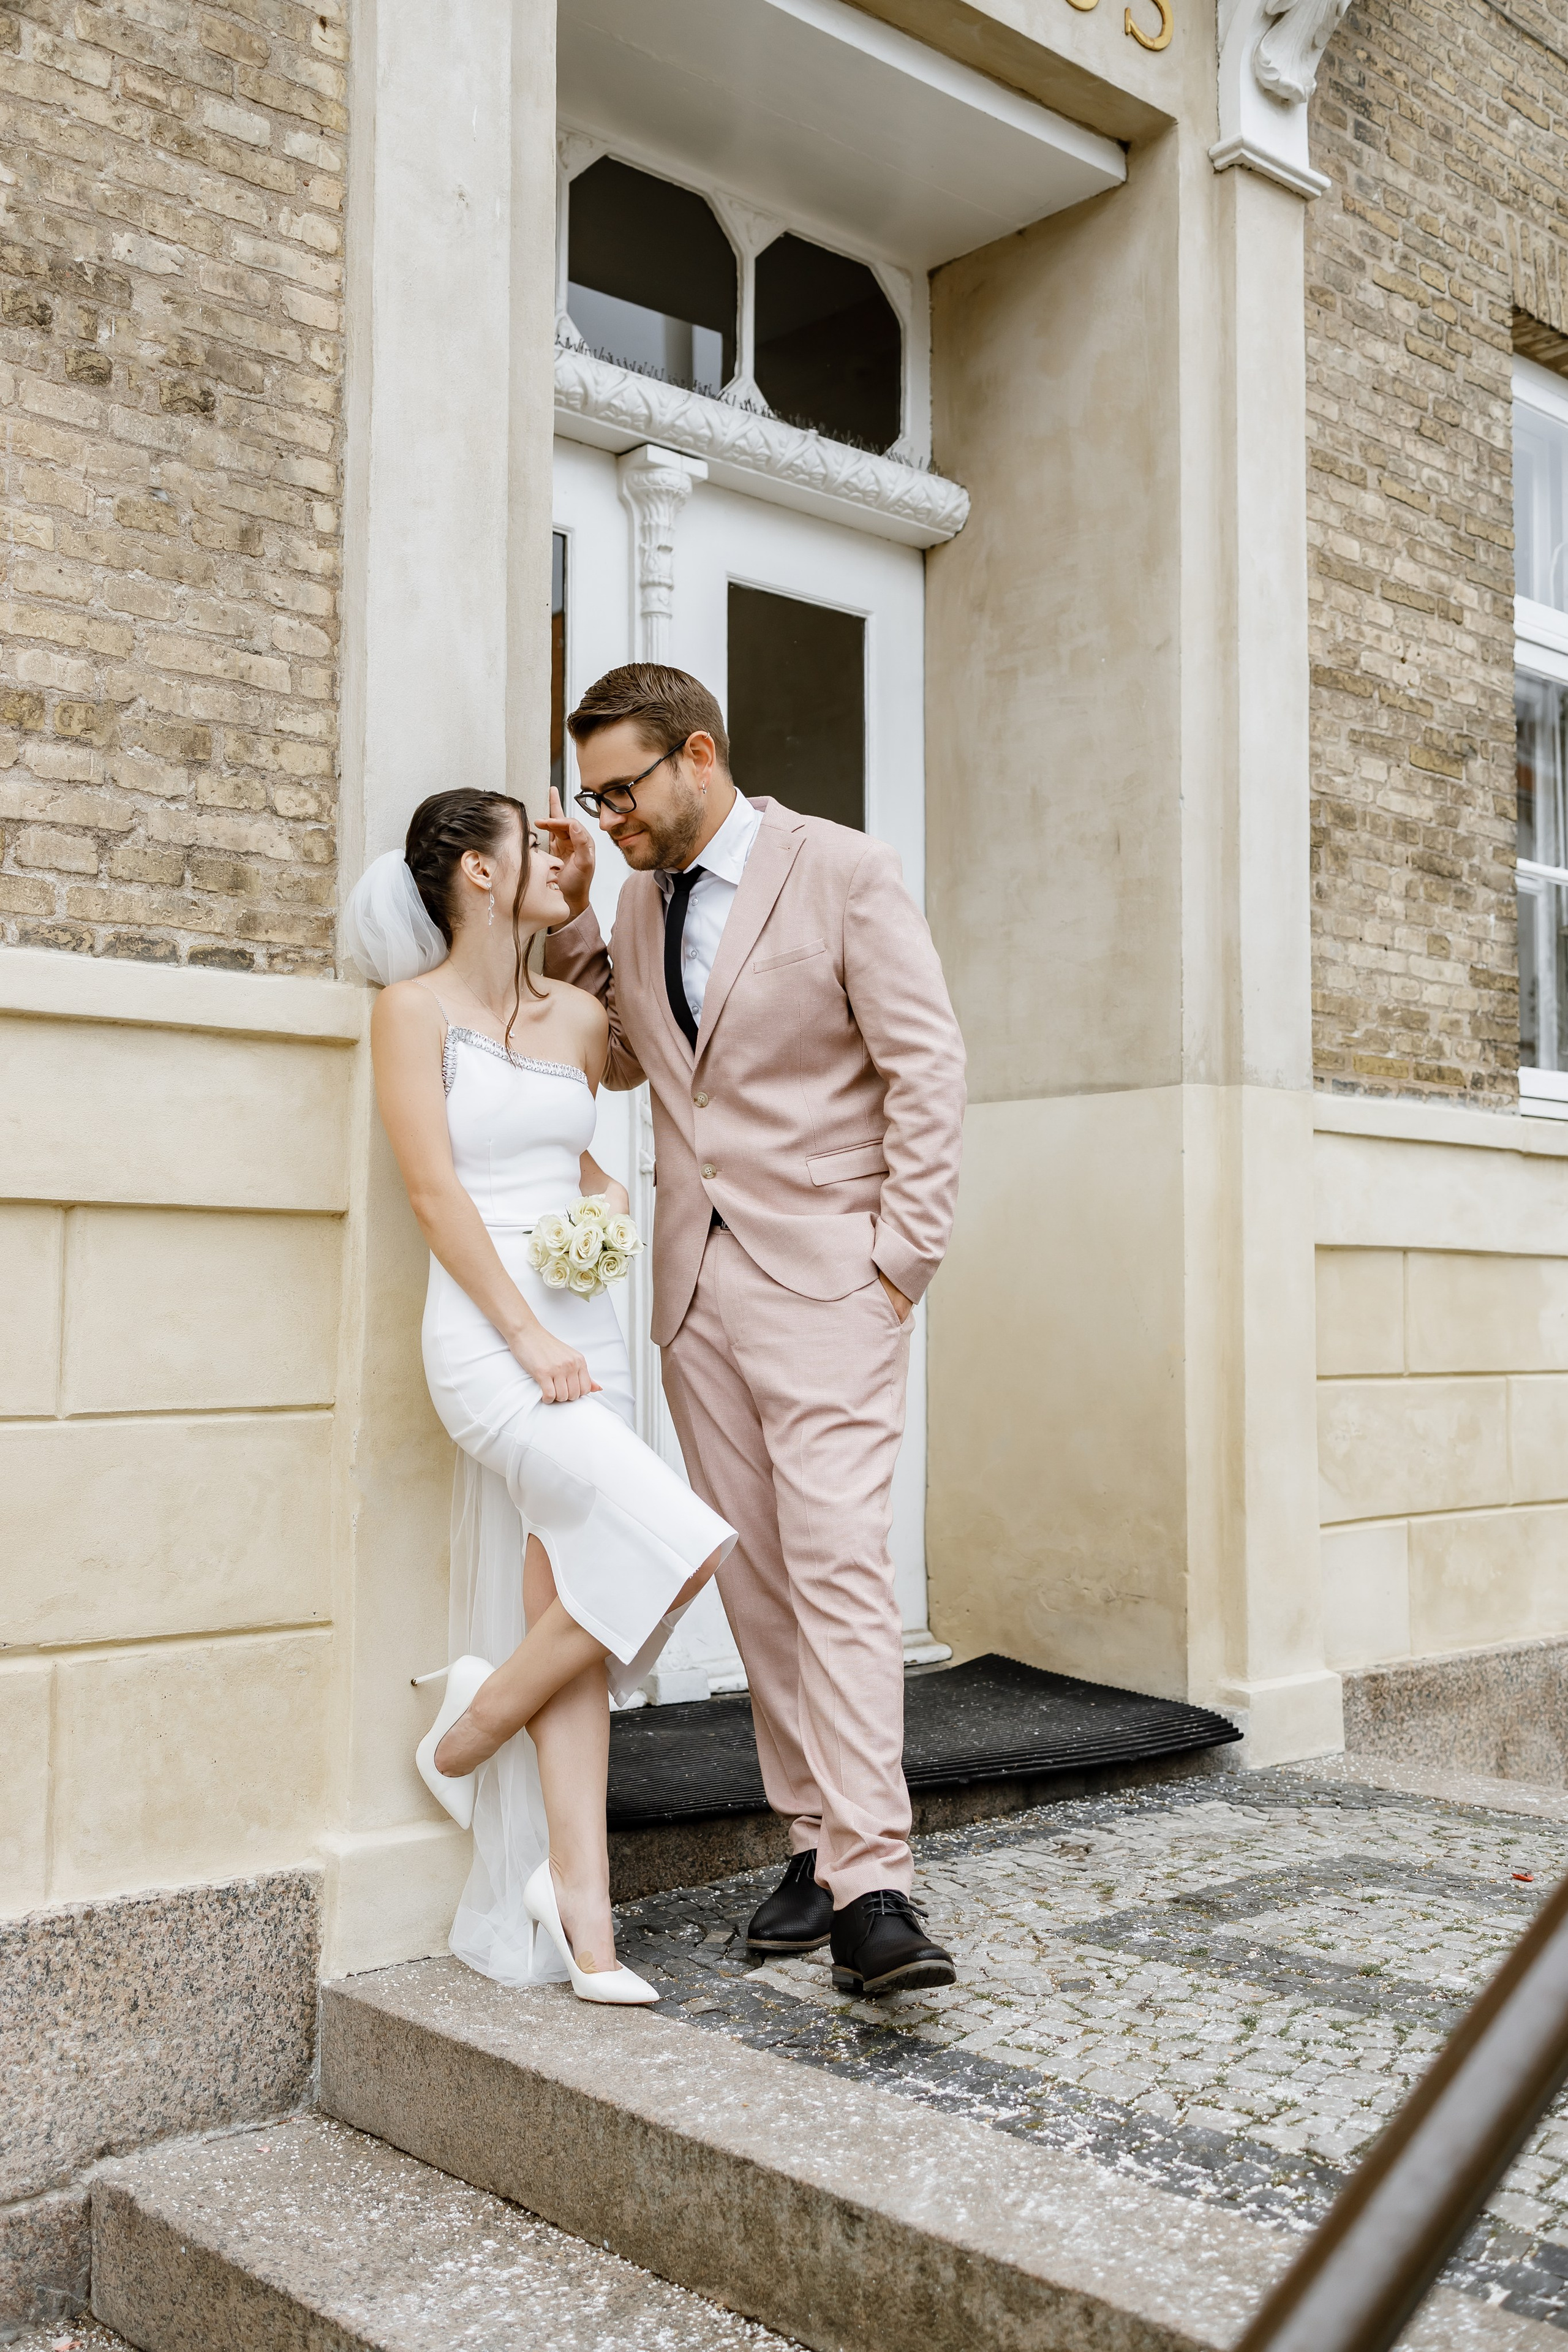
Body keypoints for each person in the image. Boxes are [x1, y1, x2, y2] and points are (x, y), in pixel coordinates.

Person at [544, 663, 967, 1999]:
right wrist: (568, 919)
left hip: (831, 1280)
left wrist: (899, 1260)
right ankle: (809, 1841)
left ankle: (874, 1883)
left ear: (698, 755)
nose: (608, 815)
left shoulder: (839, 870)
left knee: (838, 1563)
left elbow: (925, 1066)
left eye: (623, 790)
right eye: (593, 796)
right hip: (694, 1290)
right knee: (760, 1579)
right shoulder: (628, 893)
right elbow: (621, 1058)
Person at [345, 789, 736, 2004]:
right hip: (490, 1336)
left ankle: (580, 1909)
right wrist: (523, 1336)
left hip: (587, 1329)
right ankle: (466, 1734)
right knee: (680, 1545)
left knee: (579, 1595)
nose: (556, 848)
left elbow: (590, 1134)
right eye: (533, 836)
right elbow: (436, 1196)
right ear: (471, 870)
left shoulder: (573, 1015)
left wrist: (603, 1208)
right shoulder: (410, 1016)